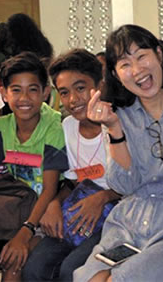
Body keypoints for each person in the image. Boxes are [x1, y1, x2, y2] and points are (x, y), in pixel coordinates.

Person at [75, 25, 163, 282]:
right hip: (129, 224)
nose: (137, 70)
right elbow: (123, 185)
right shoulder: (119, 116)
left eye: (142, 56)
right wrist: (114, 129)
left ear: (159, 55)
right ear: (117, 75)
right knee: (91, 279)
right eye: (125, 64)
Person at [0, 52, 68, 281]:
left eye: (32, 89)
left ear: (45, 93)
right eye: (16, 90)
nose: (24, 98)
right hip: (16, 207)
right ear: (4, 94)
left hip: (44, 214)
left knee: (15, 264)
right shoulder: (1, 127)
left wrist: (26, 231)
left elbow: (50, 188)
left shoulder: (54, 126)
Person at [23, 49, 121, 282]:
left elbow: (139, 183)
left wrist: (103, 197)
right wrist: (54, 203)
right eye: (64, 93)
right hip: (79, 211)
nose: (73, 100)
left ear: (100, 84)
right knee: (35, 268)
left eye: (80, 88)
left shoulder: (117, 123)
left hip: (118, 212)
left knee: (72, 271)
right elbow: (70, 181)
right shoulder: (66, 127)